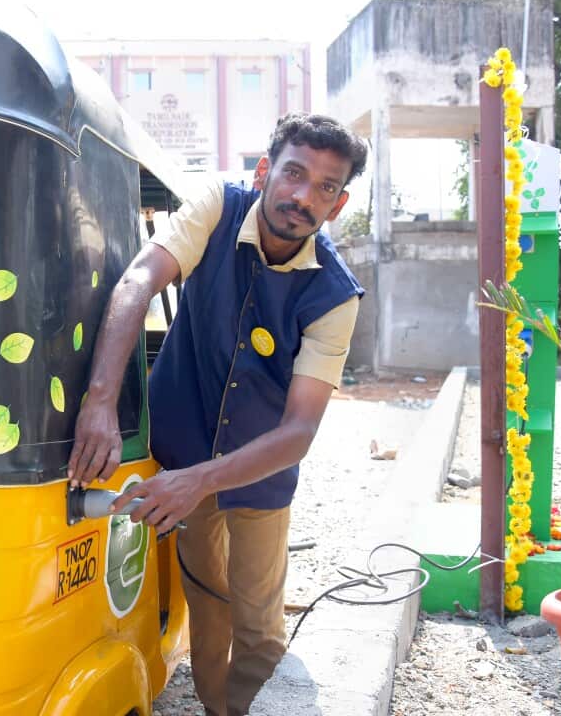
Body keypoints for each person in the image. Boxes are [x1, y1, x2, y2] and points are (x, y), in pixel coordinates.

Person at [68, 112, 368, 716]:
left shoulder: (335, 296)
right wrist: (100, 402)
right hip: (183, 448)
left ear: (337, 206)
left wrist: (199, 482)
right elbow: (137, 282)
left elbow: (299, 431)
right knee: (208, 606)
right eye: (294, 174)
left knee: (259, 624)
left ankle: (258, 705)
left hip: (261, 473)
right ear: (265, 172)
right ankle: (216, 708)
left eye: (325, 187)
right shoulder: (216, 206)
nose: (303, 197)